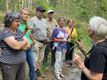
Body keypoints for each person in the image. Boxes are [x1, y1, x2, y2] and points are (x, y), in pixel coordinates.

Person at [0, 12, 30, 80]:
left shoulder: (18, 31)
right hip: (9, 65)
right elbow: (16, 46)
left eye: (19, 21)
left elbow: (28, 46)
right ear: (9, 21)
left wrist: (20, 45)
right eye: (16, 21)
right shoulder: (5, 32)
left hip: (21, 63)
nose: (19, 23)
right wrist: (24, 42)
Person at [29, 6, 47, 76]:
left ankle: (37, 71)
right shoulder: (32, 20)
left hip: (43, 43)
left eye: (42, 12)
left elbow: (45, 30)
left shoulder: (44, 20)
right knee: (35, 59)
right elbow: (29, 31)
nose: (41, 13)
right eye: (40, 11)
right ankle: (33, 74)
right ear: (36, 11)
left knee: (40, 59)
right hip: (36, 42)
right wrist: (33, 41)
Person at [18, 8, 36, 80]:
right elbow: (19, 38)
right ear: (20, 15)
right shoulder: (17, 24)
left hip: (30, 48)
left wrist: (33, 40)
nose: (26, 16)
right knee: (22, 68)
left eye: (27, 15)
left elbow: (29, 32)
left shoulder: (26, 23)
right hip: (23, 49)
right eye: (25, 14)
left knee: (32, 66)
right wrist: (25, 30)